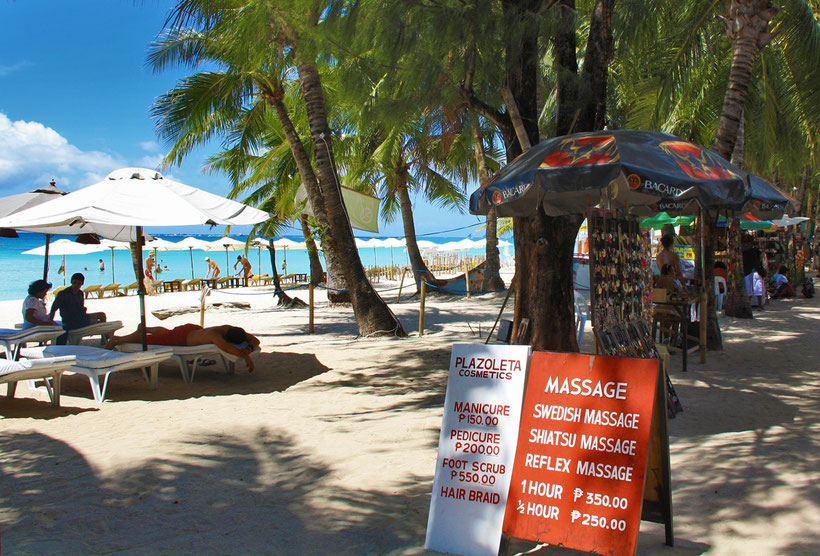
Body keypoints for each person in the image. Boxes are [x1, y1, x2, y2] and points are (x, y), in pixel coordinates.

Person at [105, 324, 260, 372]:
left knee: (163, 334)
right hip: (181, 339)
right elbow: (226, 347)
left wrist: (249, 348)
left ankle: (148, 328)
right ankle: (117, 340)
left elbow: (255, 340)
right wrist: (246, 355)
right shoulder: (214, 336)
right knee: (149, 340)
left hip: (191, 329)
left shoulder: (229, 328)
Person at [49, 273, 107, 344]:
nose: (76, 285)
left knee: (102, 315)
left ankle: (104, 339)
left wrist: (83, 310)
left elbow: (80, 308)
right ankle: (105, 337)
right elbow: (53, 309)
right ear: (71, 282)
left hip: (80, 317)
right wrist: (50, 322)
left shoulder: (80, 293)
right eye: (74, 283)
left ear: (82, 284)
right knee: (97, 321)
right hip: (69, 320)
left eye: (78, 283)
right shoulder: (63, 294)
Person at [742, 236, 765, 309]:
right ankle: (759, 305)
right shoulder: (756, 250)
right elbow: (761, 258)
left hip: (749, 270)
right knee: (757, 288)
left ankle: (750, 305)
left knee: (750, 289)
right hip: (755, 270)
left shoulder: (743, 251)